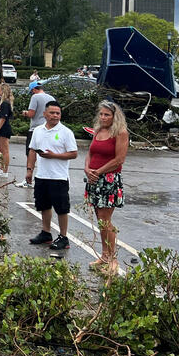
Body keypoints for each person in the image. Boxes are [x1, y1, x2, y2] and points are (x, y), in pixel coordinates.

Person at [84, 100, 129, 274]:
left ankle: (113, 260)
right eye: (101, 114)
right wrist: (87, 168)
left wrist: (99, 171)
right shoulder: (98, 131)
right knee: (100, 220)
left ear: (114, 116)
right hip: (94, 180)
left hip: (109, 180)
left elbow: (119, 159)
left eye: (107, 115)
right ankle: (104, 256)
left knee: (105, 220)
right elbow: (90, 152)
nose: (103, 117)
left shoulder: (120, 132)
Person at [26, 100, 78, 250]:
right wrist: (29, 170)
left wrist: (54, 155)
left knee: (61, 208)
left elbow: (73, 154)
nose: (55, 116)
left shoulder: (66, 132)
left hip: (58, 177)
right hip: (42, 175)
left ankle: (63, 237)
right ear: (44, 114)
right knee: (44, 205)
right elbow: (32, 150)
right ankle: (46, 233)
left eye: (58, 113)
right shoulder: (38, 130)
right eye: (52, 113)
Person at [20, 80, 55, 182]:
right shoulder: (51, 98)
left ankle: (28, 179)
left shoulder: (35, 97)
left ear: (34, 90)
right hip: (49, 129)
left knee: (31, 153)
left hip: (35, 129)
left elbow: (31, 114)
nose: (32, 93)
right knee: (44, 154)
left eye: (32, 91)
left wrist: (25, 113)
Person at [0, 83, 14, 177]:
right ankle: (1, 168)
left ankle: (5, 171)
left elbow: (3, 118)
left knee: (5, 150)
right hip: (4, 128)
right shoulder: (5, 102)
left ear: (3, 91)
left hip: (4, 128)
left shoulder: (5, 103)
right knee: (2, 149)